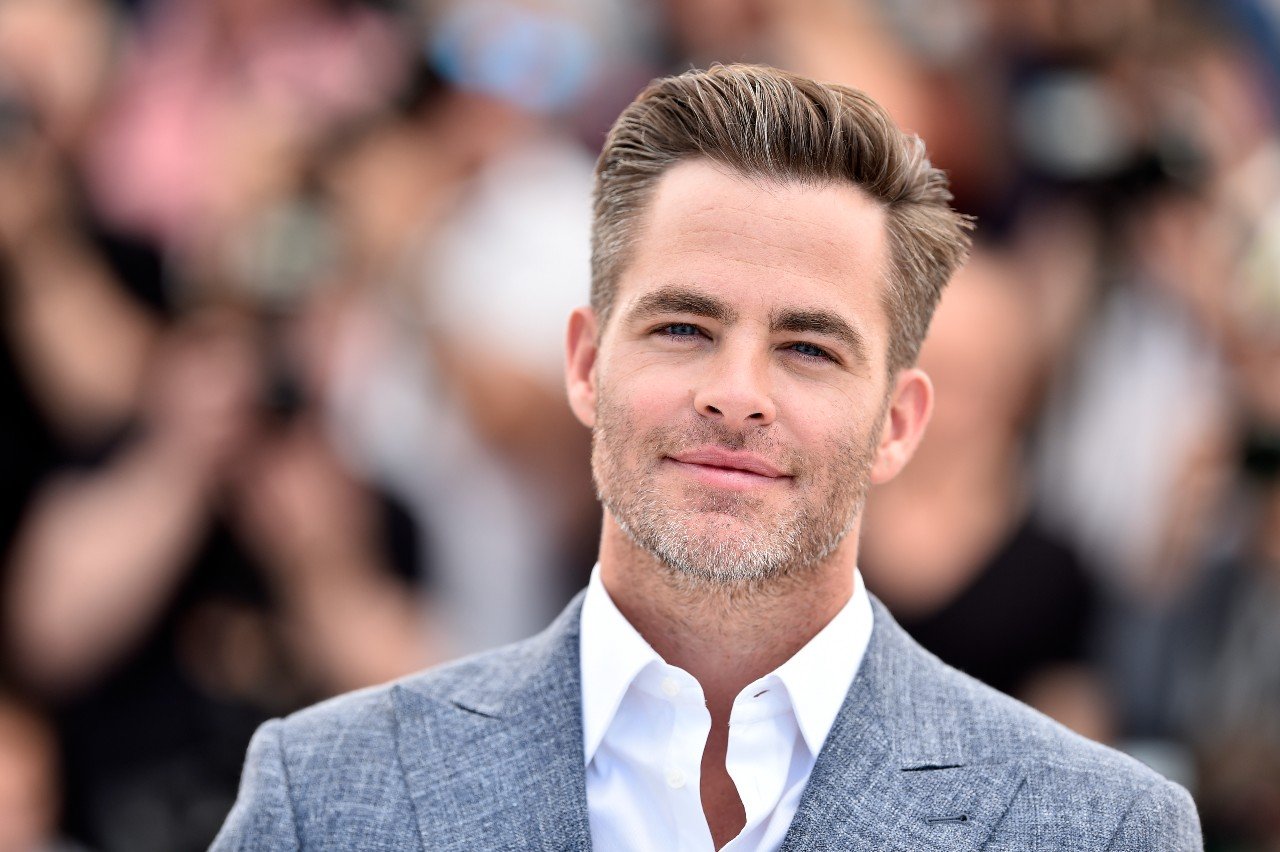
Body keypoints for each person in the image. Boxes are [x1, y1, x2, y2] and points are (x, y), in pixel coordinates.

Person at [212, 64, 1202, 851]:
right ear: (586, 366)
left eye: (808, 348)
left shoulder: (1097, 830)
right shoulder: (327, 797)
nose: (735, 392)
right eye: (683, 327)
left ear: (897, 423)